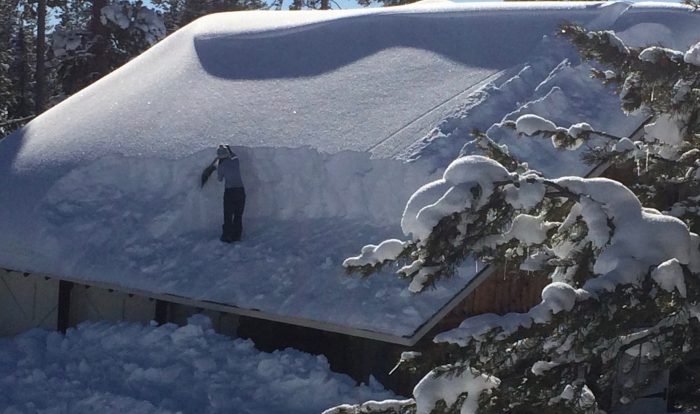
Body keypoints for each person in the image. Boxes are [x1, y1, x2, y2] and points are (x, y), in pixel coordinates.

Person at [216, 144, 245, 243]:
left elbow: (220, 179)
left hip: (230, 192)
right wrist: (229, 149)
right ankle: (237, 235)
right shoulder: (235, 161)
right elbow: (234, 155)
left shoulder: (221, 165)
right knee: (238, 214)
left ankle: (227, 235)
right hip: (241, 191)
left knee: (228, 215)